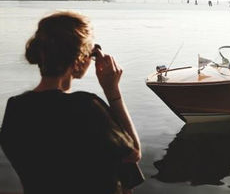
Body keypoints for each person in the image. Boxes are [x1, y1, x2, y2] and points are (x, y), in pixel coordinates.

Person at [0, 12, 143, 194]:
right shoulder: (86, 107)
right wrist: (112, 91)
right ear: (81, 59)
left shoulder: (16, 107)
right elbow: (133, 153)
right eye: (91, 54)